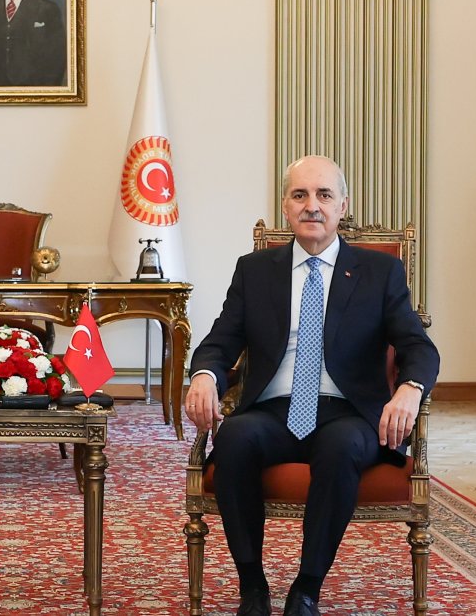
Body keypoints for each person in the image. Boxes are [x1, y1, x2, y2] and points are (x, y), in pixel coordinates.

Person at [185, 155, 439, 616]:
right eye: (300, 195)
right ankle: (253, 589)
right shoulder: (255, 270)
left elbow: (418, 347)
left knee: (341, 447)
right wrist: (204, 375)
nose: (312, 207)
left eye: (324, 195)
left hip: (348, 412)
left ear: (343, 205)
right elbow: (220, 342)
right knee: (237, 438)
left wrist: (410, 388)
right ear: (285, 206)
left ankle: (306, 590)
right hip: (273, 407)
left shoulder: (378, 273)